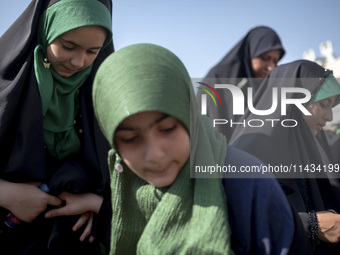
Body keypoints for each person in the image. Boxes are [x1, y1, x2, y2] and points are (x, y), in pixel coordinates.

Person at [90, 43, 307, 254]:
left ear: (189, 116)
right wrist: (99, 207)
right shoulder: (122, 180)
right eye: (130, 139)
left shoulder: (246, 181)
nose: (155, 154)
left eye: (167, 129)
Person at [0, 0, 114, 254]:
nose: (78, 62)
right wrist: (6, 194)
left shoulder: (105, 100)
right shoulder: (4, 85)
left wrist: (99, 205)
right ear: (45, 29)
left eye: (92, 52)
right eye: (68, 46)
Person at [230, 59, 340, 254]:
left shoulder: (307, 147)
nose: (330, 116)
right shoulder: (250, 152)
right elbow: (238, 220)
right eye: (323, 104)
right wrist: (311, 225)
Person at [196, 26, 285, 141]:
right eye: (264, 58)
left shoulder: (267, 87)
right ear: (250, 53)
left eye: (275, 61)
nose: (270, 67)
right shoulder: (218, 78)